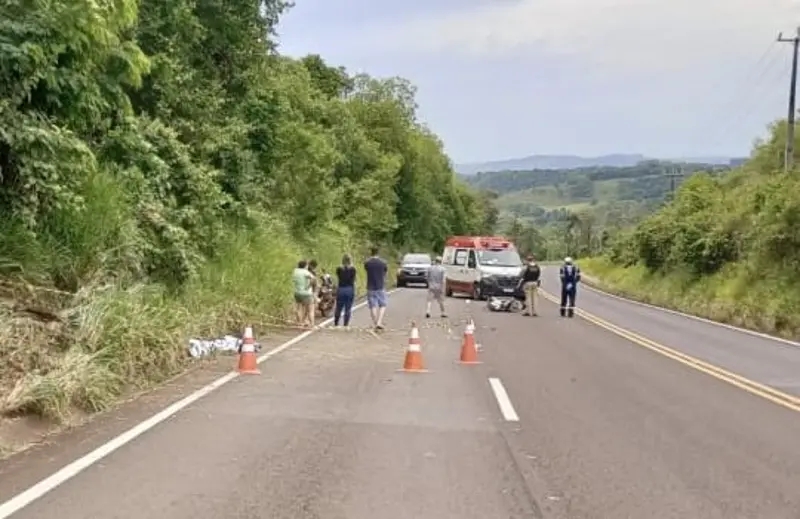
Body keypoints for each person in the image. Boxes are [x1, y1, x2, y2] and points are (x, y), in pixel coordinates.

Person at [364, 246, 388, 330]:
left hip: (370, 286)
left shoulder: (367, 263)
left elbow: (366, 270)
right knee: (383, 304)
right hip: (380, 286)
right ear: (378, 253)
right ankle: (379, 322)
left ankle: (375, 323)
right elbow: (385, 272)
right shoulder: (383, 263)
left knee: (372, 306)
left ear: (371, 252)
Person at [334, 254, 357, 328]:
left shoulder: (339, 269)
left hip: (341, 288)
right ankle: (345, 324)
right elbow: (353, 280)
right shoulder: (353, 269)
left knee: (338, 307)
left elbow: (338, 277)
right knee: (348, 307)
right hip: (349, 288)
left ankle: (336, 323)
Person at [292, 260, 315, 327]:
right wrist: (308, 286)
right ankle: (312, 324)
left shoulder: (295, 271)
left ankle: (300, 323)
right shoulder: (305, 272)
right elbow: (313, 279)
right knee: (310, 309)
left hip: (297, 293)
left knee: (299, 308)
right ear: (305, 266)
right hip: (306, 293)